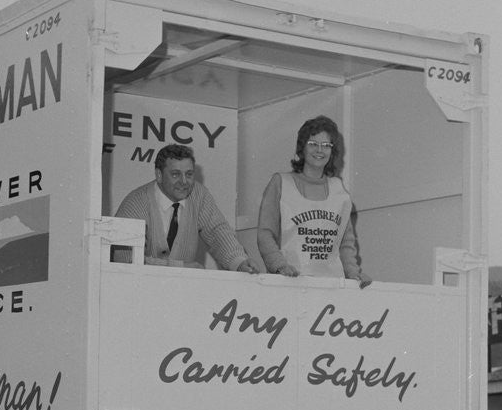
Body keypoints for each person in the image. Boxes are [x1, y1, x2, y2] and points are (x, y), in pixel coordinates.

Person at [257, 115, 370, 285]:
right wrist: (279, 266)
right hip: (290, 283)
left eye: (326, 145)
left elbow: (346, 241)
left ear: (332, 152)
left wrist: (353, 272)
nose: (319, 150)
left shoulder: (339, 190)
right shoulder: (280, 183)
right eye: (313, 144)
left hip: (331, 285)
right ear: (302, 148)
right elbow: (265, 233)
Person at [114, 143, 259, 273]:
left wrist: (239, 262)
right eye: (175, 174)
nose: (184, 182)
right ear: (159, 175)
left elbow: (217, 232)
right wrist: (180, 267)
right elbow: (125, 258)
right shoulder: (135, 203)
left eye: (189, 174)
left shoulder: (198, 194)